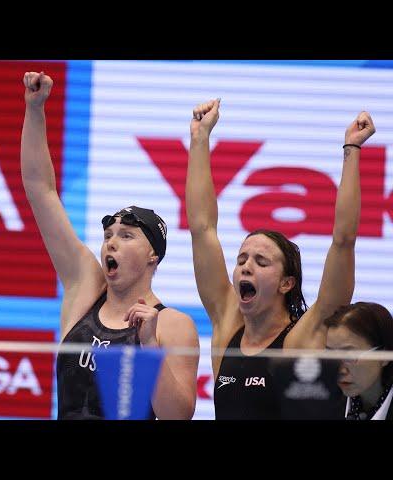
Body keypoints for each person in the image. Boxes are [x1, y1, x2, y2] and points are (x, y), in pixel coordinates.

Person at [21, 71, 199, 420]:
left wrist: (148, 347)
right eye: (108, 236)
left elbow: (178, 415)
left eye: (127, 236)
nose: (111, 243)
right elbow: (39, 189)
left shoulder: (173, 324)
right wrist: (35, 110)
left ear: (153, 256)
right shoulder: (85, 289)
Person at [186, 98, 375, 419]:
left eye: (261, 262)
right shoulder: (226, 325)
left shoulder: (303, 337)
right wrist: (199, 139)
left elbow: (343, 242)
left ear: (287, 282)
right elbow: (202, 228)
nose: (246, 265)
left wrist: (351, 150)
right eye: (242, 258)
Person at [326, 302, 393, 420]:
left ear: (384, 355)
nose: (340, 370)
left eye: (350, 355)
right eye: (331, 355)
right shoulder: (323, 402)